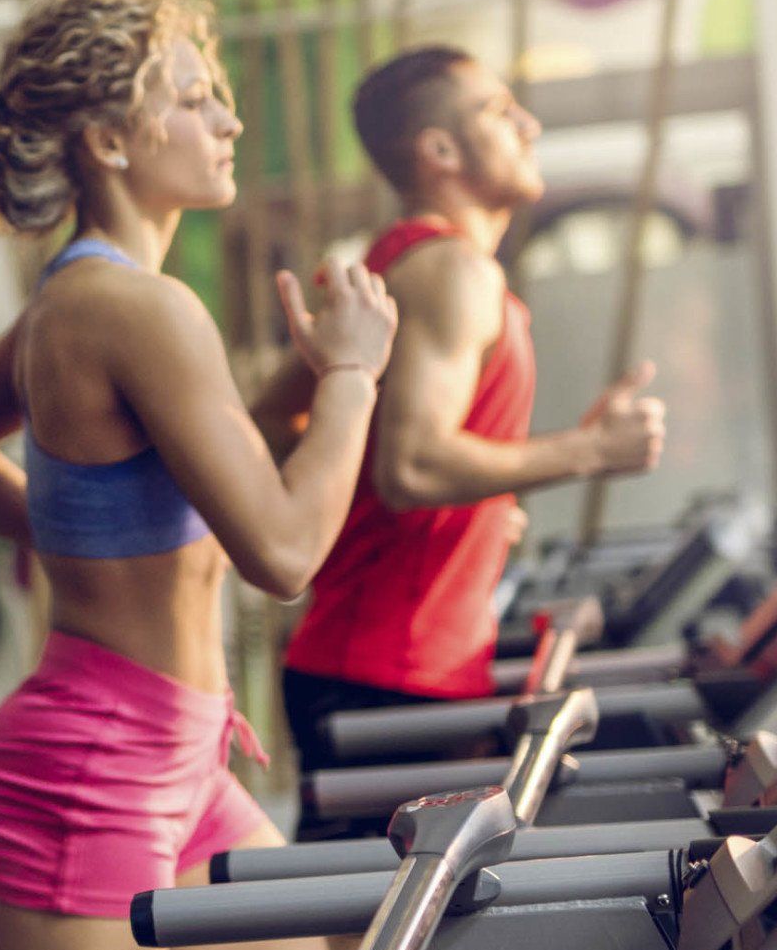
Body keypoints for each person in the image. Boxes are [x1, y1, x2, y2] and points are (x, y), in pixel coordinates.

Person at [0, 0, 400, 950]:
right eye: (193, 97)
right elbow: (283, 551)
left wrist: (84, 537)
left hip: (184, 758)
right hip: (91, 770)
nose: (228, 119)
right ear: (111, 142)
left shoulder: (78, 300)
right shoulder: (139, 308)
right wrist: (353, 378)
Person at [250, 45, 666, 840]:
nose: (528, 125)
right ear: (439, 151)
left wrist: (460, 514)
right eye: (500, 112)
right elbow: (413, 465)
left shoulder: (399, 264)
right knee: (377, 919)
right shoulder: (452, 273)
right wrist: (591, 450)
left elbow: (275, 423)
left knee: (382, 915)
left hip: (373, 663)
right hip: (390, 676)